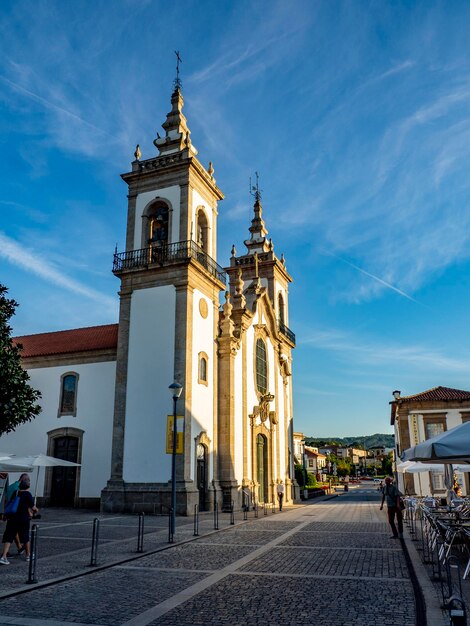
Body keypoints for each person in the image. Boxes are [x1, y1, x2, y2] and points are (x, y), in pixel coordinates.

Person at [0, 477, 38, 565]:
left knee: (9, 537)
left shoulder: (15, 492)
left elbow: (10, 502)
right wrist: (36, 511)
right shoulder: (28, 494)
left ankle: (4, 556)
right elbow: (33, 508)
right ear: (27, 486)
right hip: (23, 519)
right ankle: (28, 555)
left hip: (13, 518)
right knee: (25, 537)